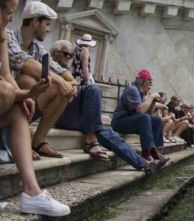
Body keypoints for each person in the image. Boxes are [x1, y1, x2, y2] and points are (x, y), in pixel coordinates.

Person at [0, 0, 70, 216]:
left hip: (6, 100)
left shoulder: (1, 35)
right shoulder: (9, 36)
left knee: (19, 102)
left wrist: (25, 95)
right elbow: (21, 66)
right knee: (14, 88)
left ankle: (32, 192)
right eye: (8, 12)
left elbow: (8, 75)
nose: (11, 18)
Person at [50, 40, 164, 170]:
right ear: (54, 54)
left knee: (105, 130)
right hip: (58, 114)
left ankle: (143, 163)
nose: (69, 58)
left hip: (74, 114)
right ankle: (91, 141)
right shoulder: (48, 67)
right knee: (93, 89)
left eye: (70, 55)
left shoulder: (66, 72)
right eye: (65, 54)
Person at [8, 1, 75, 159]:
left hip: (26, 102)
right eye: (47, 23)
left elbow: (59, 70)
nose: (49, 29)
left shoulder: (37, 48)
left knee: (63, 89)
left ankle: (38, 141)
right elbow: (24, 63)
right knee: (28, 80)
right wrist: (60, 81)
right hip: (6, 100)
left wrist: (71, 82)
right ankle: (19, 142)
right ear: (35, 22)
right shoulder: (9, 36)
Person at [111, 69, 167, 163]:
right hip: (119, 122)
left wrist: (153, 102)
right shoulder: (132, 90)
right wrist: (151, 97)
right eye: (149, 82)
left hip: (131, 121)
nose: (150, 85)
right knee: (144, 118)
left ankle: (156, 150)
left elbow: (148, 114)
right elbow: (140, 111)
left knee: (156, 120)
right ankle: (146, 153)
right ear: (143, 81)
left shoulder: (139, 92)